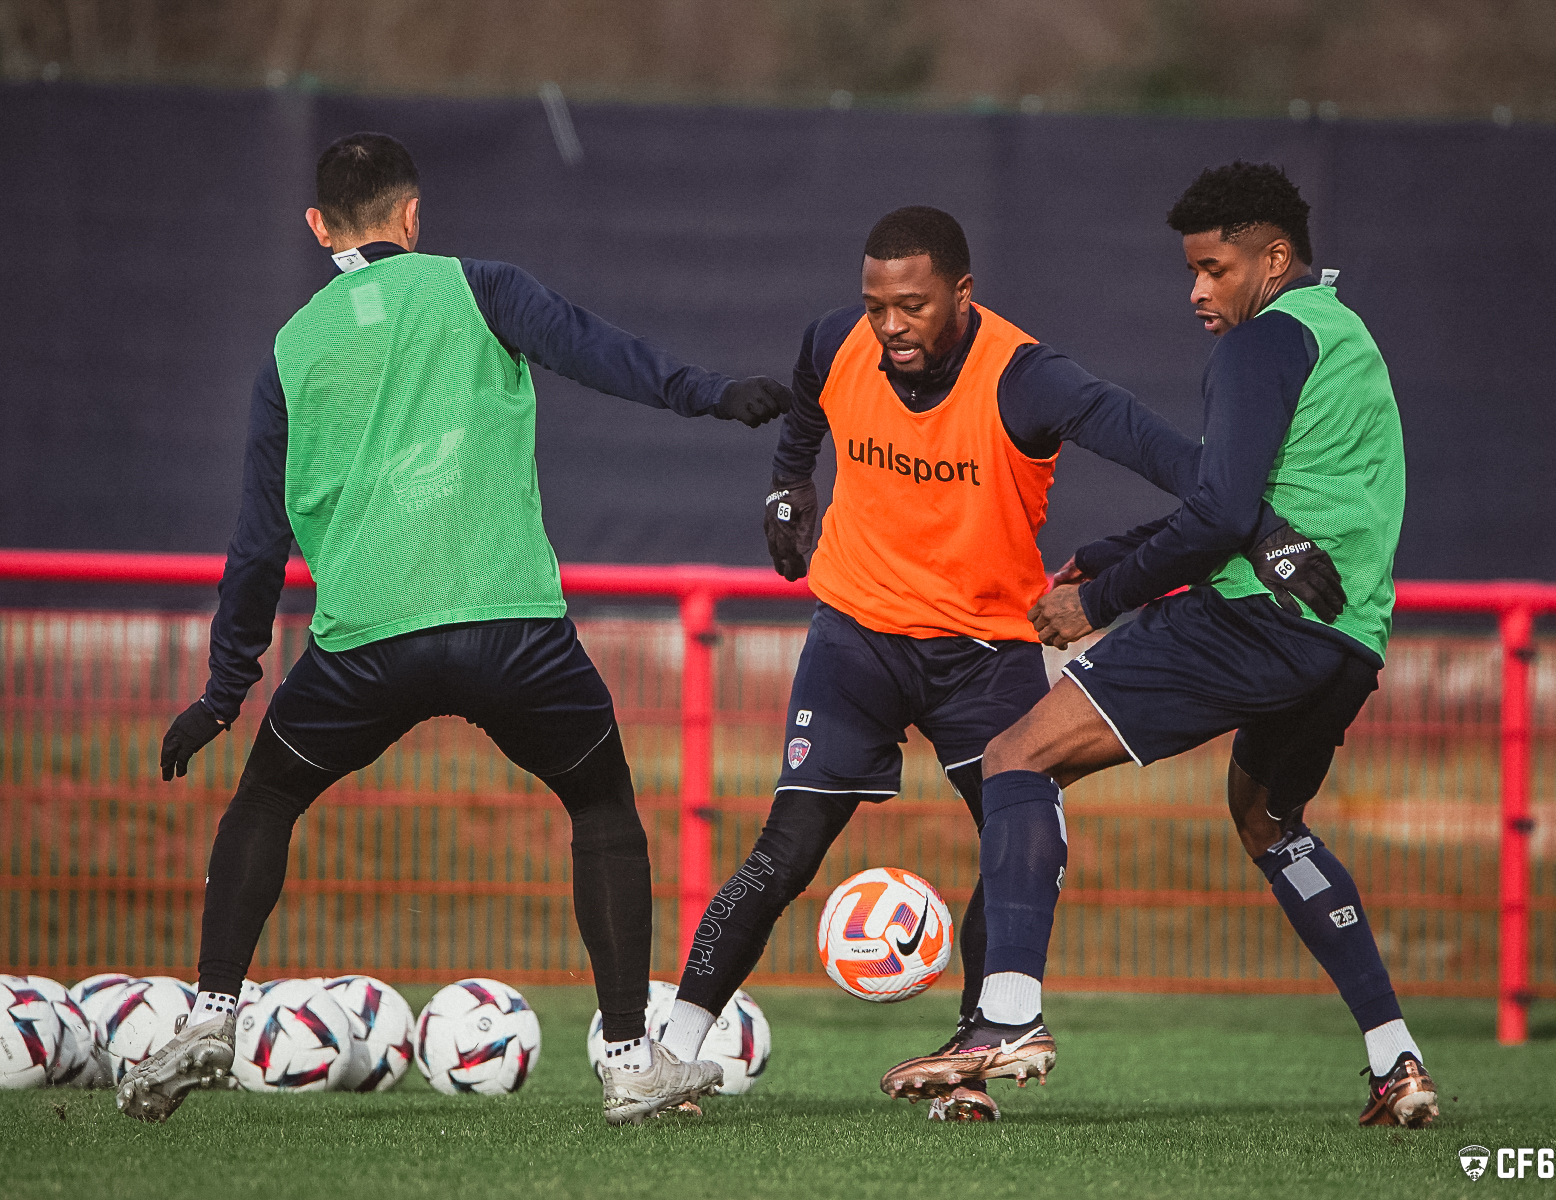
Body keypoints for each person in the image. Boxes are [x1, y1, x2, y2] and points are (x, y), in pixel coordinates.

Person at [115, 132, 791, 1126]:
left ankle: (212, 1020)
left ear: (318, 228)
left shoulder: (292, 351)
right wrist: (712, 397)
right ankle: (626, 1061)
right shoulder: (481, 287)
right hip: (510, 628)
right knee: (600, 808)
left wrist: (224, 691)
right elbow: (602, 353)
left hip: (363, 645)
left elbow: (255, 543)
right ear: (411, 216)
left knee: (263, 802)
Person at [655, 204, 1342, 1122]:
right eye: (875, 305)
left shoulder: (1029, 379)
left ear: (962, 295)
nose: (890, 325)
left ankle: (977, 1057)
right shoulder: (838, 338)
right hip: (856, 637)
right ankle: (666, 1059)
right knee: (785, 849)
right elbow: (808, 394)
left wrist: (1266, 535)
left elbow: (1170, 455)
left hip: (985, 653)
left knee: (1016, 837)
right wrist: (789, 481)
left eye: (912, 305)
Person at [881, 162, 1436, 1129]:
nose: (1197, 292)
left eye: (1214, 269)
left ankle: (1003, 1019)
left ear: (1271, 260)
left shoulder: (1264, 343)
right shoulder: (1346, 334)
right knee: (1272, 824)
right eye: (1191, 271)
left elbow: (1223, 514)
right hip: (1347, 643)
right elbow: (1264, 503)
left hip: (1247, 624)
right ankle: (1398, 1062)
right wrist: (1113, 551)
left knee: (1018, 757)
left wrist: (1102, 600)